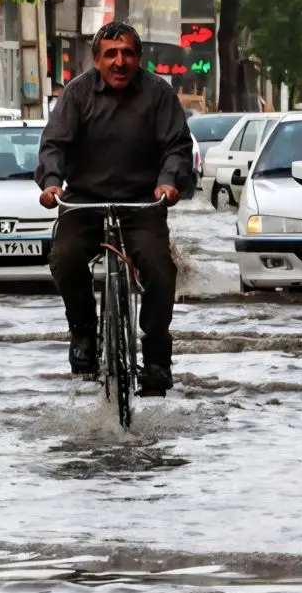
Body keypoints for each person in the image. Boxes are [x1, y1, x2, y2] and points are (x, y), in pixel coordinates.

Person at [35, 20, 195, 394]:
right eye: (111, 54)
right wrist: (51, 182)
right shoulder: (75, 95)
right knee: (65, 257)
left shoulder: (158, 94)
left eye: (127, 54)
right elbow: (53, 143)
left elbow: (177, 145)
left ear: (138, 58)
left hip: (143, 203)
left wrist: (169, 182)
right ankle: (84, 336)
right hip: (83, 204)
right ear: (97, 60)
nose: (119, 62)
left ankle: (156, 356)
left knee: (160, 268)